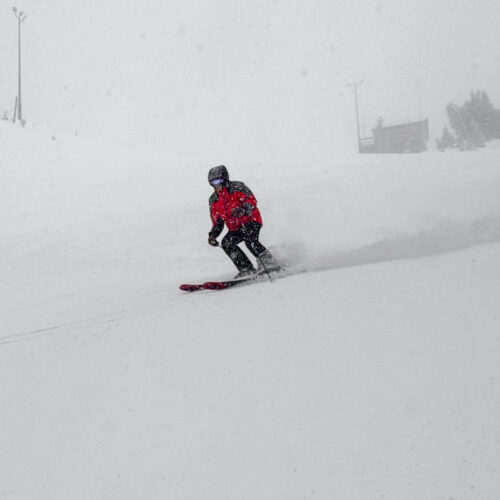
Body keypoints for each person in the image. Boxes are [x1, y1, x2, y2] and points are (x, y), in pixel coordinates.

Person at [207, 165, 280, 278]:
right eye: (213, 182)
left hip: (251, 220)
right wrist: (213, 235)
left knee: (250, 240)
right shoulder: (214, 200)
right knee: (227, 243)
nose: (217, 184)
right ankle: (246, 268)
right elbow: (218, 222)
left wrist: (243, 209)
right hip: (235, 228)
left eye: (219, 180)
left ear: (225, 178)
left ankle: (269, 262)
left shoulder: (237, 187)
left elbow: (251, 201)